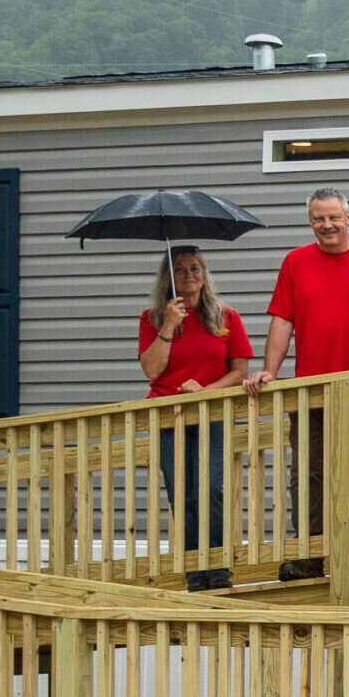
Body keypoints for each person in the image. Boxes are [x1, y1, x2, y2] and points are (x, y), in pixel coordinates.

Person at [245, 188, 349, 580]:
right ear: (311, 222)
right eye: (319, 219)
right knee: (308, 475)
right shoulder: (295, 262)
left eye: (334, 217)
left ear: (348, 218)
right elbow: (282, 321)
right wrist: (270, 370)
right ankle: (309, 554)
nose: (327, 225)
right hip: (310, 390)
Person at [136, 244, 251, 590]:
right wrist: (169, 325)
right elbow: (152, 371)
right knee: (182, 493)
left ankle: (217, 566)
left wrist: (206, 390)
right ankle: (195, 572)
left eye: (195, 268)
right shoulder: (153, 318)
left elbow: (240, 370)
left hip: (210, 412)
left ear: (204, 275)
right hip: (169, 415)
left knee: (211, 488)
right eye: (181, 269)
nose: (190, 275)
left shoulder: (225, 317)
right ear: (169, 278)